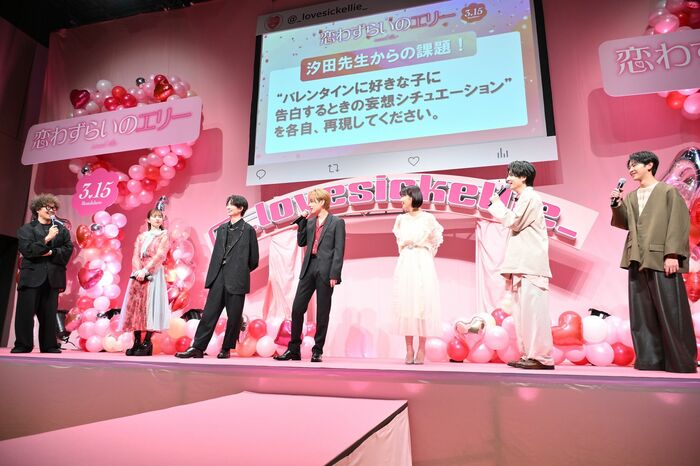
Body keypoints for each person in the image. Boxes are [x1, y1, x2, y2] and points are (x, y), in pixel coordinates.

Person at [611, 150, 697, 373]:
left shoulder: (667, 191)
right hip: (637, 258)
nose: (631, 169)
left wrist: (672, 254)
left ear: (649, 165)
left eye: (635, 165)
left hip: (661, 258)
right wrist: (617, 205)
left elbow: (678, 222)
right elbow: (626, 223)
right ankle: (650, 360)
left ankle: (680, 361)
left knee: (671, 310)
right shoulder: (631, 196)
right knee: (642, 312)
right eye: (629, 166)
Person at [487, 161, 554, 370]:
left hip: (531, 266)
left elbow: (514, 221)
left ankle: (541, 357)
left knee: (534, 313)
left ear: (523, 177)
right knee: (523, 314)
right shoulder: (523, 198)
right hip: (522, 266)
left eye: (511, 175)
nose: (507, 179)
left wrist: (497, 204)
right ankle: (529, 355)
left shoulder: (530, 197)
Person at [176, 195, 259, 359]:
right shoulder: (222, 229)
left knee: (234, 317)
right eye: (227, 204)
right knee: (209, 314)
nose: (228, 207)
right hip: (218, 277)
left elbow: (253, 260)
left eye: (231, 205)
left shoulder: (248, 230)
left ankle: (226, 348)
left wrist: (239, 270)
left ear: (241, 208)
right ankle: (197, 347)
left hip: (237, 279)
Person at [274, 188, 346, 363]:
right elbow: (302, 242)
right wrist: (301, 223)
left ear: (322, 202)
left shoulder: (337, 222)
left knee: (322, 311)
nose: (310, 204)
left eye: (312, 201)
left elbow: (339, 250)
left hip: (326, 270)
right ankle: (294, 349)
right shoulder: (311, 222)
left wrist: (334, 274)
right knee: (297, 308)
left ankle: (317, 350)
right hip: (309, 267)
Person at [12, 194, 74, 354]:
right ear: (38, 209)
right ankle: (23, 345)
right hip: (31, 277)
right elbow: (27, 250)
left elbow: (68, 249)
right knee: (25, 313)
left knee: (49, 314)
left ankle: (49, 345)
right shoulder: (26, 229)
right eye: (48, 207)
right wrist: (47, 239)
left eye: (54, 208)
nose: (52, 210)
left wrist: (52, 252)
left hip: (53, 277)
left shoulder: (61, 229)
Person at [391, 185, 443, 364]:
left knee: (423, 302)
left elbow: (436, 240)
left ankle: (422, 348)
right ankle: (408, 349)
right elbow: (399, 242)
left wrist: (425, 252)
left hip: (422, 260)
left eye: (403, 196)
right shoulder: (400, 219)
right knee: (406, 302)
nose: (401, 200)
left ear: (412, 197)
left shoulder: (428, 218)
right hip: (407, 261)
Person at [119, 209, 171, 356]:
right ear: (148, 220)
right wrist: (137, 271)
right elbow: (135, 255)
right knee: (136, 306)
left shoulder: (164, 236)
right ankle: (136, 342)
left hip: (153, 273)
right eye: (154, 216)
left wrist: (146, 270)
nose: (157, 219)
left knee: (151, 307)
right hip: (138, 273)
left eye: (160, 217)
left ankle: (147, 342)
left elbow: (160, 255)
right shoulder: (142, 237)